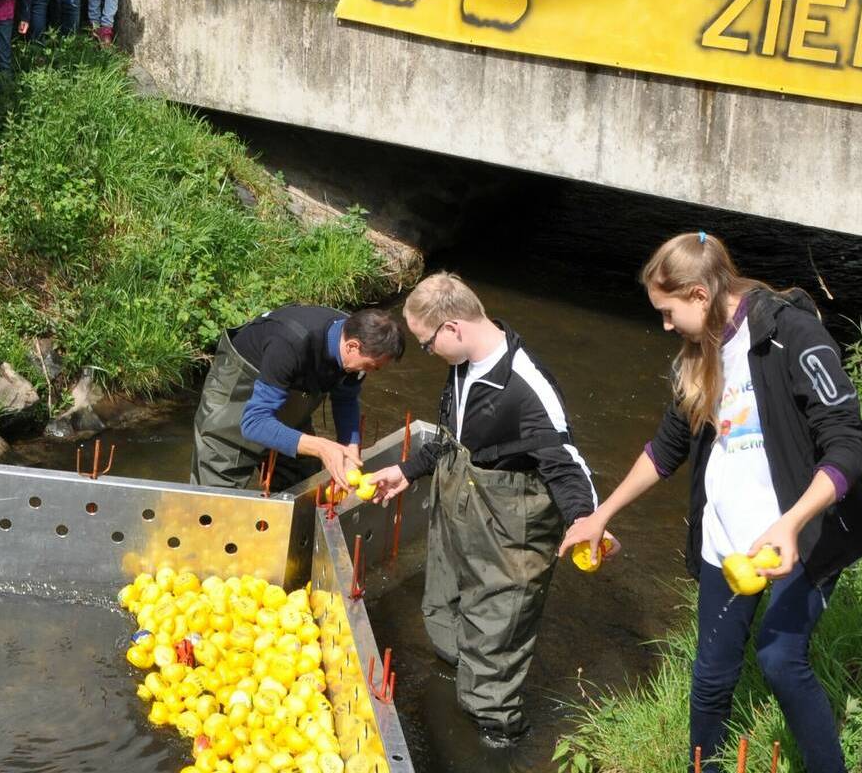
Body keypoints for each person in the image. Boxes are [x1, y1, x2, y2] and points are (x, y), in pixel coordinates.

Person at [559, 233, 862, 773]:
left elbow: (849, 444)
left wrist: (793, 522)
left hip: (798, 538)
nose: (664, 326)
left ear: (698, 295)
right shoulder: (697, 355)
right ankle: (702, 767)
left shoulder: (790, 335)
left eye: (668, 312)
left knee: (780, 660)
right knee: (710, 676)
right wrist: (601, 515)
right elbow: (666, 449)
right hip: (725, 543)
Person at [364, 272, 596, 749]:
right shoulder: (462, 364)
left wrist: (584, 520)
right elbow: (454, 439)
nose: (426, 353)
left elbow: (566, 462)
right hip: (459, 513)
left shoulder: (526, 385)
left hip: (510, 529)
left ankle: (499, 733)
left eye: (427, 343)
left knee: (498, 633)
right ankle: (459, 672)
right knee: (443, 605)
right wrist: (408, 470)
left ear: (452, 328)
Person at [191, 302, 403, 491]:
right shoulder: (290, 343)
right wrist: (322, 447)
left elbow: (346, 398)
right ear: (352, 346)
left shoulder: (356, 343)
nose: (370, 372)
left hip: (289, 391)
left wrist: (350, 451)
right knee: (217, 494)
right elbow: (254, 423)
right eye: (370, 367)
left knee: (303, 483)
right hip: (239, 391)